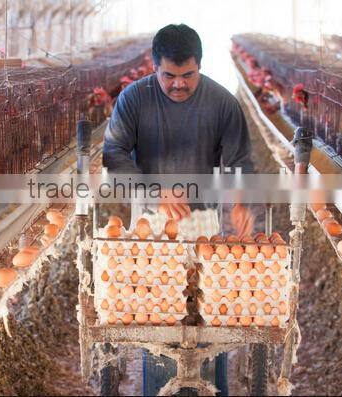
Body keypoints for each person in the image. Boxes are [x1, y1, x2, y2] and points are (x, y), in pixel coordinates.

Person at [102, 23, 255, 396]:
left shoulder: (222, 103)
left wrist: (239, 204)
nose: (178, 84)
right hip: (150, 228)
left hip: (202, 223)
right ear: (154, 67)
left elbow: (239, 163)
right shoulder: (134, 99)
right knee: (157, 317)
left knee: (206, 318)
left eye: (187, 75)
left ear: (199, 66)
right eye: (169, 75)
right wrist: (153, 191)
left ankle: (210, 388)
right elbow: (114, 154)